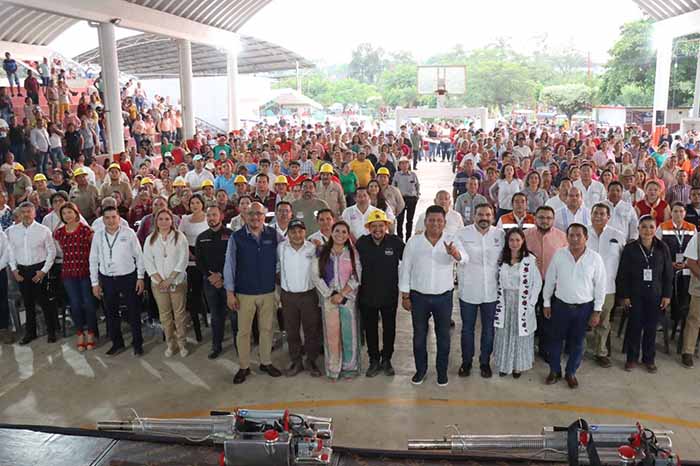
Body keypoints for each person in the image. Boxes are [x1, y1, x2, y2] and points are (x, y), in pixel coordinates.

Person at [399, 205, 465, 387]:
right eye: (431, 220)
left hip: (443, 297)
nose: (435, 223)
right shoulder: (414, 242)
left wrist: (455, 253)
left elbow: (464, 258)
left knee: (443, 336)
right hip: (419, 297)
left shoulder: (451, 240)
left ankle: (441, 372)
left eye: (439, 220)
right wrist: (405, 295)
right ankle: (420, 370)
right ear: (425, 221)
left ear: (444, 222)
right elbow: (406, 268)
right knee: (419, 336)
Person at [224, 202, 283, 384]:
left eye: (258, 213)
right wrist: (230, 292)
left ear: (264, 216)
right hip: (245, 292)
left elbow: (286, 253)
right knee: (244, 332)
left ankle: (266, 362)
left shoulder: (273, 235)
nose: (255, 217)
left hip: (267, 290)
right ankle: (244, 366)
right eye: (251, 214)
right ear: (244, 216)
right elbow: (229, 265)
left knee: (267, 329)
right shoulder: (236, 237)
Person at [543, 223, 606, 389]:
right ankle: (554, 371)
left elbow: (600, 286)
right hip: (560, 306)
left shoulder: (595, 258)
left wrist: (597, 311)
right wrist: (546, 302)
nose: (575, 239)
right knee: (555, 340)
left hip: (584, 308)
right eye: (571, 235)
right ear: (567, 237)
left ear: (586, 238)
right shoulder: (559, 255)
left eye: (579, 235)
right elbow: (550, 280)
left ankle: (571, 372)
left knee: (578, 343)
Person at [618, 215, 673, 373]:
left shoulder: (663, 247)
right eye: (644, 227)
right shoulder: (630, 248)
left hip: (655, 294)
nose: (647, 230)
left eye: (651, 227)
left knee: (651, 328)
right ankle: (631, 358)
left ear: (655, 229)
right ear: (638, 229)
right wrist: (625, 296)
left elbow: (668, 273)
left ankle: (649, 359)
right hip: (635, 294)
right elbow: (623, 274)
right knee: (634, 327)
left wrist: (667, 295)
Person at [455, 203, 503, 378]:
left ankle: (485, 362)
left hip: (491, 291)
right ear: (474, 216)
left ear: (493, 217)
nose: (484, 218)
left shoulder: (500, 235)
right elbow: (462, 256)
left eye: (488, 215)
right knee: (467, 329)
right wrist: (457, 255)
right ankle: (466, 362)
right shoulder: (462, 233)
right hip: (469, 290)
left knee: (489, 329)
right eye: (480, 214)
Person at [89, 206, 145, 356]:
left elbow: (139, 256)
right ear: (103, 220)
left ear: (119, 218)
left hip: (128, 277)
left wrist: (140, 277)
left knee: (133, 312)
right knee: (111, 313)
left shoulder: (129, 233)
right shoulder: (98, 236)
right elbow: (93, 260)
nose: (111, 220)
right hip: (107, 279)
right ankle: (117, 343)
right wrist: (95, 283)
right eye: (107, 218)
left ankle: (137, 343)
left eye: (114, 217)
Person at [311, 220, 363, 379]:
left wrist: (342, 294)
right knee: (331, 335)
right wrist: (329, 294)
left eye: (344, 232)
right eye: (337, 231)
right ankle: (333, 369)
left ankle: (350, 367)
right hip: (329, 300)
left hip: (348, 300)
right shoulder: (321, 251)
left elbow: (356, 276)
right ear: (331, 233)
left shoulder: (353, 253)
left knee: (349, 334)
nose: (340, 234)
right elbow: (315, 276)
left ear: (348, 235)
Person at [356, 210, 404, 377]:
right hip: (367, 295)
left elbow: (409, 258)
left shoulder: (395, 242)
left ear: (386, 226)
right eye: (374, 226)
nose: (378, 229)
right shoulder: (362, 243)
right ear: (369, 228)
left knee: (389, 329)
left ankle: (387, 359)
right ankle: (374, 360)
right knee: (370, 329)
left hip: (389, 294)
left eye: (381, 225)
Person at [493, 228, 542, 377]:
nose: (514, 243)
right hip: (505, 302)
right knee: (504, 333)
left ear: (523, 241)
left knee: (519, 333)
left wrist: (532, 303)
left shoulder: (529, 260)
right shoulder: (501, 259)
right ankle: (504, 365)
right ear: (507, 242)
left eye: (517, 240)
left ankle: (517, 366)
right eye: (511, 240)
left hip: (522, 302)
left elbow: (537, 283)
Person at [7, 202, 58, 345]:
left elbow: (52, 252)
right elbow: (10, 251)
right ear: (19, 214)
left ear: (34, 213)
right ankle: (31, 333)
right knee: (28, 303)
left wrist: (43, 271)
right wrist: (14, 270)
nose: (26, 214)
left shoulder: (43, 230)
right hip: (22, 271)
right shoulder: (11, 231)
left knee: (44, 302)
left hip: (39, 269)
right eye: (23, 212)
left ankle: (51, 331)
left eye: (29, 211)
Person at [278, 219, 322, 377]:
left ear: (305, 232)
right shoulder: (280, 248)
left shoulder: (312, 248)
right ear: (288, 234)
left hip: (308, 295)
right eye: (293, 232)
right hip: (288, 296)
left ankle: (311, 361)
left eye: (300, 231)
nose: (297, 235)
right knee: (291, 331)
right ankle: (296, 361)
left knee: (311, 330)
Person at [143, 208, 190, 358]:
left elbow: (183, 260)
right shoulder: (150, 239)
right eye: (160, 219)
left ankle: (182, 343)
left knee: (179, 315)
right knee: (165, 316)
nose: (164, 222)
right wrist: (160, 281)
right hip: (158, 284)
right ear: (156, 221)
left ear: (172, 221)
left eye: (167, 219)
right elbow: (148, 262)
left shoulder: (179, 237)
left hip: (177, 282)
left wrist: (170, 280)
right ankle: (171, 343)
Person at [195, 205, 237, 360]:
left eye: (214, 215)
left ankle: (239, 345)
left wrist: (222, 276)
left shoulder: (231, 235)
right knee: (215, 316)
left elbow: (235, 258)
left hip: (229, 282)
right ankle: (216, 346)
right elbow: (199, 261)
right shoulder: (201, 237)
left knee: (234, 316)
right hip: (210, 283)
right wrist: (210, 276)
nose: (211, 218)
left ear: (221, 216)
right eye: (209, 215)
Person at [53, 202, 96, 351]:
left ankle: (91, 332)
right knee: (75, 304)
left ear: (76, 213)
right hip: (68, 273)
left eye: (70, 212)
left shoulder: (86, 230)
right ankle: (80, 332)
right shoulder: (59, 232)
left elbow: (94, 250)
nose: (67, 216)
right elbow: (60, 250)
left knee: (88, 303)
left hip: (85, 271)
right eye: (64, 213)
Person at [587, 203, 626, 368]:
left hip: (608, 287)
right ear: (590, 215)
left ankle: (600, 352)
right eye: (595, 213)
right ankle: (578, 349)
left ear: (608, 217)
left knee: (603, 322)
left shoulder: (617, 235)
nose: (598, 216)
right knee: (582, 319)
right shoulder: (583, 233)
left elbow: (624, 262)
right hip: (584, 286)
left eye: (602, 214)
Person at [656, 203, 695, 352]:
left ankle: (677, 321)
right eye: (675, 211)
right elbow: (657, 247)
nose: (678, 214)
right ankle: (660, 320)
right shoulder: (663, 227)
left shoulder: (691, 228)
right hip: (667, 267)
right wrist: (669, 263)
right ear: (671, 213)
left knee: (683, 294)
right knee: (666, 293)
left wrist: (686, 263)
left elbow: (695, 249)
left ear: (685, 213)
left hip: (685, 268)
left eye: (681, 211)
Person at [393, 157, 420, 240]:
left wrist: (417, 196)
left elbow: (417, 186)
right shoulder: (397, 175)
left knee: (410, 220)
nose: (404, 165)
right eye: (402, 163)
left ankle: (408, 238)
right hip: (400, 199)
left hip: (411, 199)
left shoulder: (413, 174)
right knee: (400, 220)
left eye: (406, 163)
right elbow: (393, 186)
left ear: (408, 165)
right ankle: (399, 238)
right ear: (399, 165)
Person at [0, 228, 11, 344]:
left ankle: (4, 329)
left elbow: (6, 251)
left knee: (2, 301)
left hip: (0, 271)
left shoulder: (1, 234)